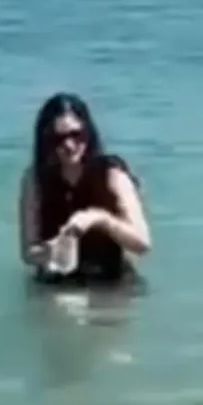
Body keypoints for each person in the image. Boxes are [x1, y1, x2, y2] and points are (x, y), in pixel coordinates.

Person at [17, 92, 152, 286]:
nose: (69, 145)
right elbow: (28, 253)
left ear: (88, 132)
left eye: (76, 135)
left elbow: (142, 244)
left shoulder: (112, 174)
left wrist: (99, 219)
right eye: (58, 139)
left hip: (111, 281)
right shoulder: (34, 179)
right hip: (56, 282)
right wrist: (55, 249)